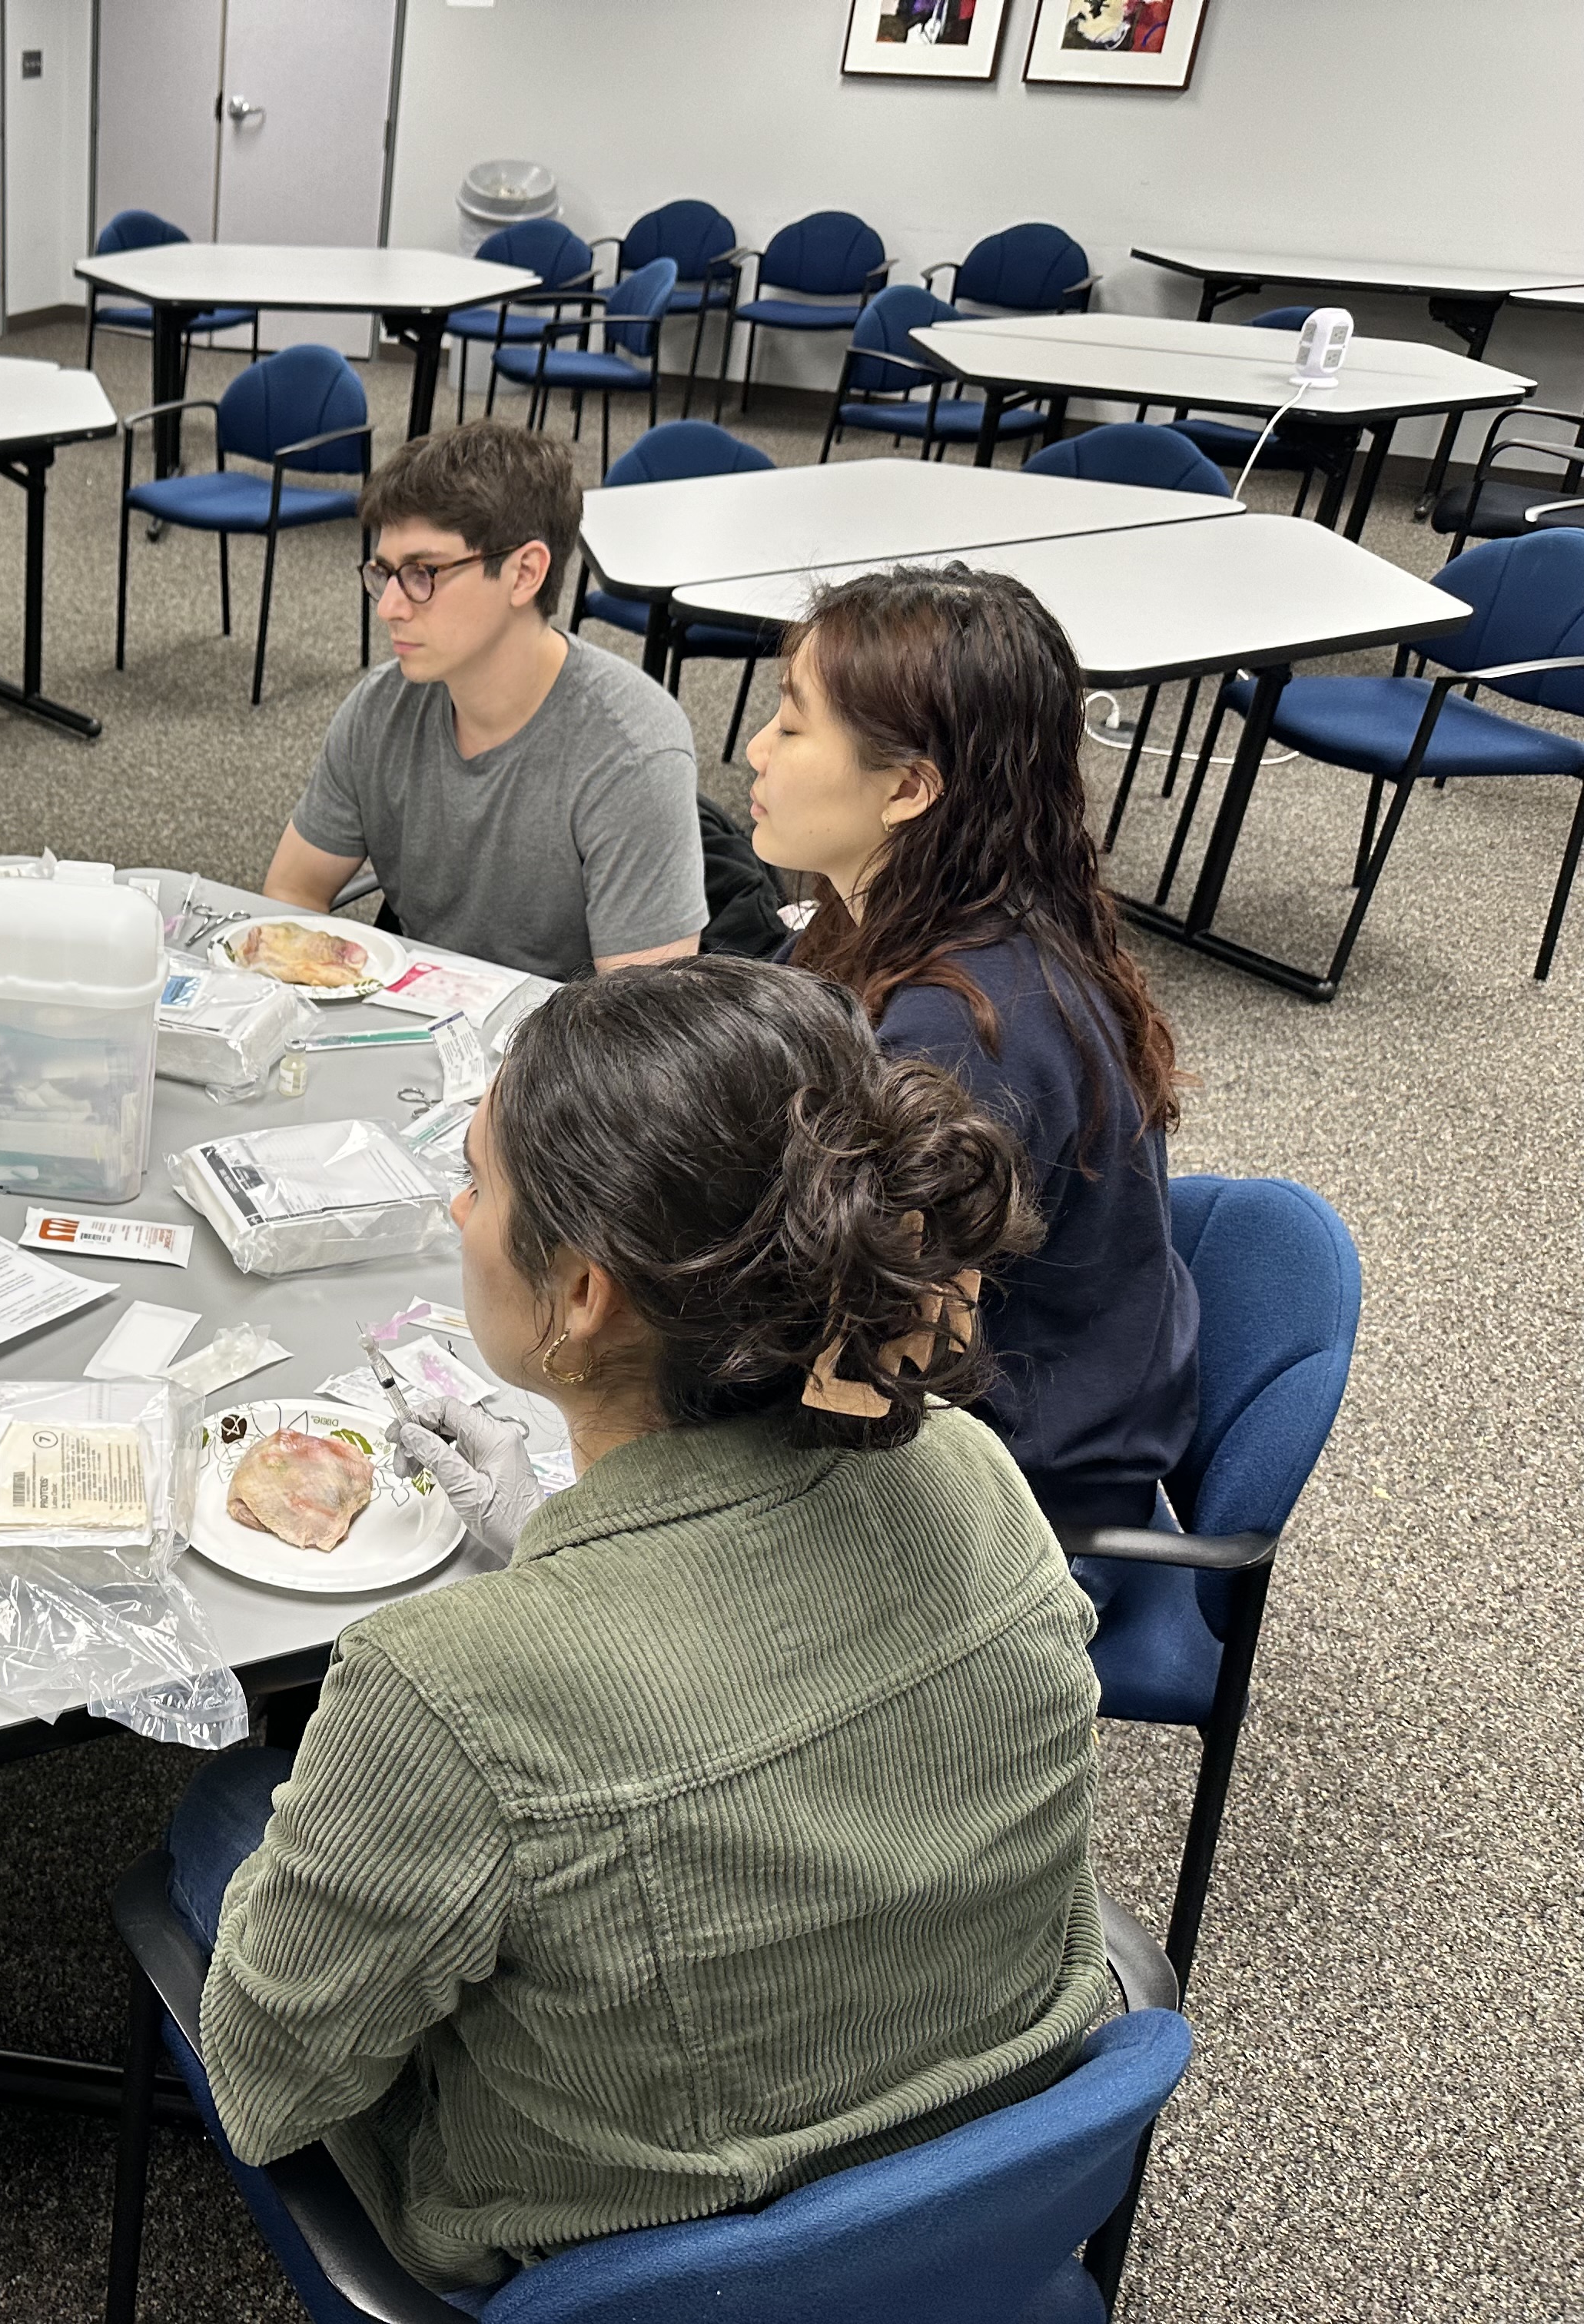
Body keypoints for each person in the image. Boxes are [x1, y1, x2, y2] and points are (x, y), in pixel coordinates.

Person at [171, 956, 1111, 2294]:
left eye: (480, 1181)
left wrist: (391, 1765)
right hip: (980, 2174)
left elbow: (267, 2087)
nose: (455, 1202)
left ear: (583, 1297)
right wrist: (554, 1548)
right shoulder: (968, 1467)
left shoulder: (439, 1687)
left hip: (630, 2262)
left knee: (219, 1815)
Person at [743, 563, 1196, 1529]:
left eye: (790, 724)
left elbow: (872, 1388)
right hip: (961, 1428)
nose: (756, 750)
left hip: (1008, 1513)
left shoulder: (957, 1036)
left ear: (908, 788)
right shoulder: (891, 915)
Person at [259, 421, 706, 982]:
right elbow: (293, 891)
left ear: (525, 574)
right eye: (384, 574)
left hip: (563, 1053)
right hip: (417, 1025)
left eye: (423, 574)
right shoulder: (381, 708)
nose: (390, 607)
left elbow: (643, 1027)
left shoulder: (631, 751)